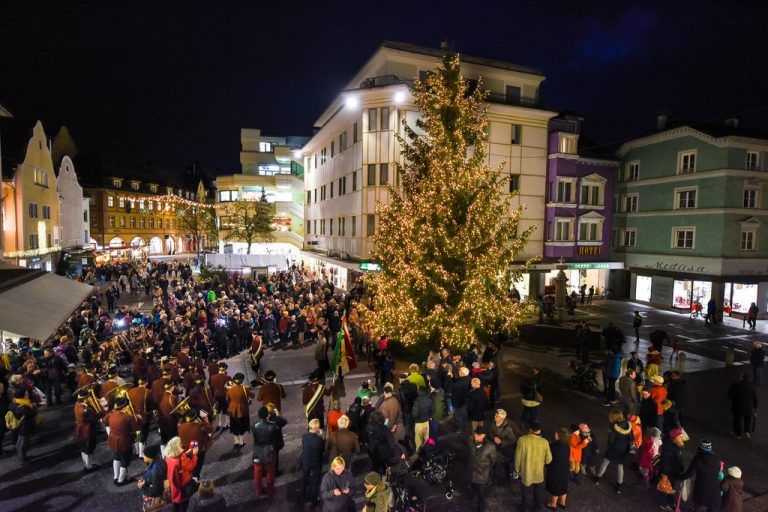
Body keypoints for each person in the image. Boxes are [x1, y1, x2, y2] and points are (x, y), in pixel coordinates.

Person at [515, 422, 552, 512]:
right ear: (539, 431)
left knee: (524, 491)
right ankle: (537, 507)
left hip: (526, 471)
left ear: (530, 430)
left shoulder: (522, 440)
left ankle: (524, 508)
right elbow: (549, 459)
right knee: (538, 492)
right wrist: (541, 462)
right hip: (538, 472)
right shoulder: (545, 442)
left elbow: (518, 457)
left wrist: (517, 469)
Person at [593, 410, 632, 494]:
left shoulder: (614, 427)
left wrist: (609, 445)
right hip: (623, 449)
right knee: (620, 466)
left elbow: (610, 440)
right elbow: (631, 438)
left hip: (614, 448)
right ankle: (618, 486)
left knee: (605, 463)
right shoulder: (628, 425)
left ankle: (597, 478)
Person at [104, 396, 139, 486]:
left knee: (117, 457)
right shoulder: (127, 417)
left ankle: (116, 477)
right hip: (124, 442)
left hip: (113, 440)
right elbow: (136, 428)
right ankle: (121, 480)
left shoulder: (111, 414)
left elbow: (104, 421)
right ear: (125, 406)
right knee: (125, 460)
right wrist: (138, 418)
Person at [679, 440, 722, 512]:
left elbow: (690, 473)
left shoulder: (698, 458)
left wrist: (680, 477)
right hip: (715, 492)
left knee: (700, 508)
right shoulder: (716, 459)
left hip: (702, 491)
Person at [468, 425, 497, 512]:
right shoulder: (470, 440)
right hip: (472, 473)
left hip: (482, 476)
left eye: (478, 435)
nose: (476, 436)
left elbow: (493, 461)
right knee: (473, 487)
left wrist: (485, 468)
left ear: (484, 435)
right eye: (475, 434)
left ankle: (481, 509)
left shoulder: (490, 447)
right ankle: (474, 494)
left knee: (482, 496)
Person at [166, 436, 199, 512]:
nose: (182, 444)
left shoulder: (168, 456)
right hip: (183, 483)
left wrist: (187, 453)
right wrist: (194, 455)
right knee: (183, 503)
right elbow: (191, 466)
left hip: (173, 482)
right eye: (180, 443)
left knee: (175, 501)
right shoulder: (181, 459)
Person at [251, 406, 278, 497]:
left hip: (257, 452)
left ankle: (258, 491)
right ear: (267, 415)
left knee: (257, 474)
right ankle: (270, 490)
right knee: (270, 473)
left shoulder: (253, 425)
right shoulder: (272, 426)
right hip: (268, 452)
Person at [658, 428, 686, 512]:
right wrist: (664, 473)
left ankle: (669, 500)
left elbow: (679, 459)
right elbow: (665, 461)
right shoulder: (668, 448)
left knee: (671, 486)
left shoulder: (678, 445)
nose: (682, 438)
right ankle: (663, 503)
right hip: (668, 472)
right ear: (674, 438)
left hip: (674, 471)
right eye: (680, 437)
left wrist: (681, 469)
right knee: (665, 488)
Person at [300, 418, 325, 509]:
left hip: (306, 461)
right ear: (317, 428)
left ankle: (302, 496)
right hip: (316, 462)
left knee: (305, 478)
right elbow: (322, 451)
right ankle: (313, 501)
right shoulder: (319, 440)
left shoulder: (304, 437)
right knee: (315, 482)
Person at [73, 388, 99, 471]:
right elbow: (95, 417)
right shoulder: (86, 410)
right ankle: (89, 467)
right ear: (85, 399)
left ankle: (87, 464)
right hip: (88, 430)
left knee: (84, 449)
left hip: (80, 430)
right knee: (89, 448)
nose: (90, 398)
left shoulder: (77, 405)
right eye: (88, 397)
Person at [8, 388, 37, 463]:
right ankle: (22, 460)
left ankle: (23, 457)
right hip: (24, 427)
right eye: (26, 394)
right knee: (23, 443)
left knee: (20, 442)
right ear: (22, 396)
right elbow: (33, 413)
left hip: (20, 427)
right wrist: (34, 407)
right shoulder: (22, 407)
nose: (27, 395)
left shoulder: (14, 402)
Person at [487, 408, 516, 481]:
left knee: (505, 465)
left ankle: (507, 479)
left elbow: (512, 440)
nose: (494, 417)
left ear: (502, 418)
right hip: (495, 448)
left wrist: (501, 442)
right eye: (495, 415)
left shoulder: (508, 429)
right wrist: (493, 438)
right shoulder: (494, 422)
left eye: (497, 416)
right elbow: (489, 432)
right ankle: (492, 477)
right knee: (494, 462)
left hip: (504, 451)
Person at [727, 373, 758, 440]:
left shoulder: (734, 385)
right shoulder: (752, 387)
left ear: (741, 378)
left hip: (737, 406)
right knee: (748, 419)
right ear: (749, 379)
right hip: (748, 407)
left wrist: (734, 401)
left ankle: (738, 434)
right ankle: (746, 431)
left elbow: (729, 395)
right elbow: (755, 399)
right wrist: (755, 408)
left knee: (737, 420)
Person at [546, 427, 571, 510]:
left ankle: (553, 504)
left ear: (559, 435)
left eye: (556, 433)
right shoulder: (567, 445)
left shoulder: (554, 446)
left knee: (555, 486)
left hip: (556, 469)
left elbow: (549, 457)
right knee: (563, 485)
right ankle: (562, 503)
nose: (555, 434)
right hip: (565, 469)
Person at [227, 372, 254, 449]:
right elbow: (252, 396)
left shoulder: (230, 389)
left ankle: (236, 442)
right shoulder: (244, 389)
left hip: (233, 410)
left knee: (234, 426)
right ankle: (241, 441)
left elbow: (227, 399)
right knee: (241, 426)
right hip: (242, 410)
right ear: (242, 380)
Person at [138, 444, 167, 512]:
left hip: (155, 500)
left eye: (144, 455)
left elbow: (157, 491)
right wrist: (145, 481)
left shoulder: (155, 471)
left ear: (149, 457)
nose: (143, 456)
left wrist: (143, 487)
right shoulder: (161, 460)